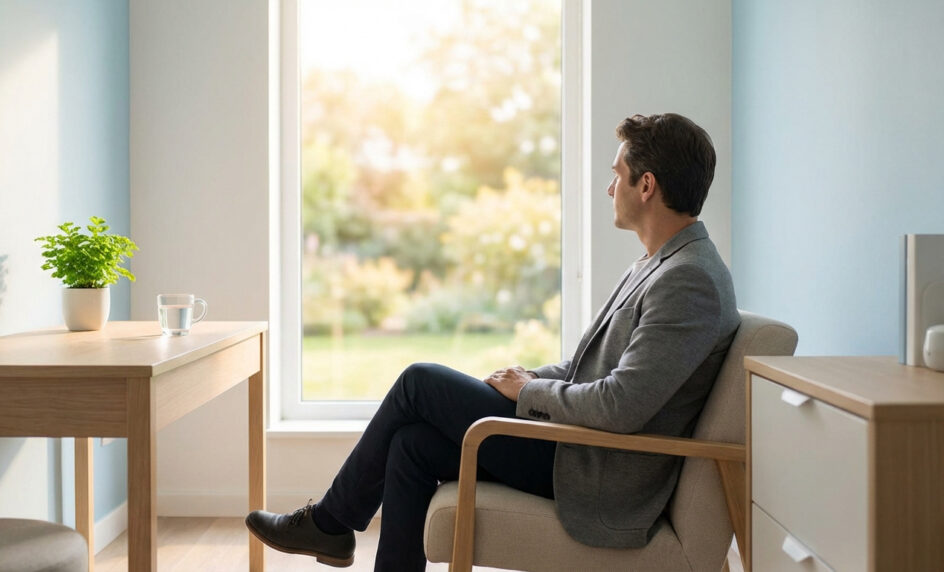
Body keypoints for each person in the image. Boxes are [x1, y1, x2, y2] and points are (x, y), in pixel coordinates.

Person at [245, 113, 739, 571]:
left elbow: (622, 405)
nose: (610, 187)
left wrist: (526, 393)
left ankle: (330, 524)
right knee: (411, 443)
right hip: (578, 447)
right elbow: (591, 368)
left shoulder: (687, 281)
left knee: (419, 381)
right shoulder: (659, 264)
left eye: (618, 175)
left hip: (593, 468)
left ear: (647, 185)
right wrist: (530, 377)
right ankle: (334, 529)